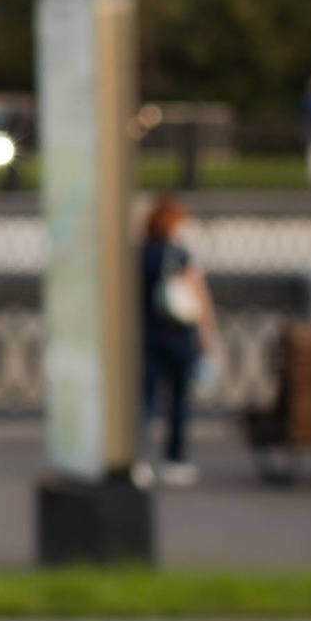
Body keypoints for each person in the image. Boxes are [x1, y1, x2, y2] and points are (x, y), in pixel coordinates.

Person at [138, 191, 215, 483]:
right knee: (178, 402)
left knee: (145, 402)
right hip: (179, 337)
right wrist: (207, 335)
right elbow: (199, 298)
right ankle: (174, 459)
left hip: (146, 335)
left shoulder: (139, 253)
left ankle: (139, 460)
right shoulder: (178, 254)